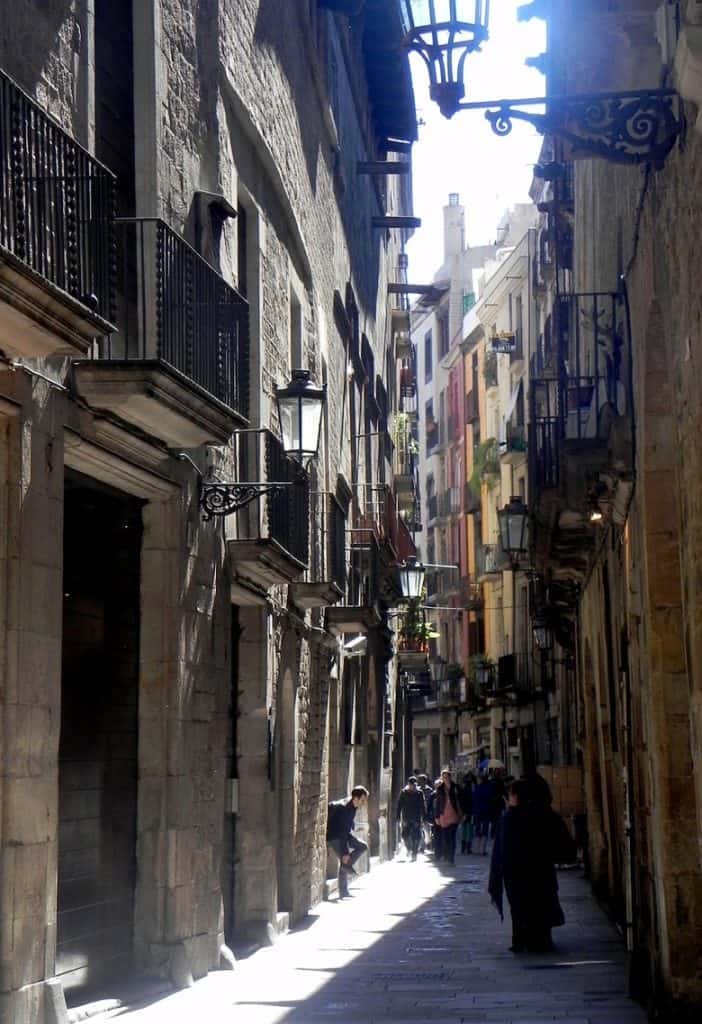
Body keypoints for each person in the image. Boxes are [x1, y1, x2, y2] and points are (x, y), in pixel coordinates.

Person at [488, 778, 577, 953]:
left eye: (512, 794)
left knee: (519, 907)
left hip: (517, 875)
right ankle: (541, 940)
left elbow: (502, 851)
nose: (509, 797)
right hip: (540, 872)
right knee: (540, 904)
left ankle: (521, 940)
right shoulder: (544, 814)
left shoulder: (511, 818)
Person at [326, 785, 369, 899]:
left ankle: (346, 866)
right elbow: (341, 833)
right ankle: (344, 891)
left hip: (344, 834)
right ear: (355, 798)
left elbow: (346, 830)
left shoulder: (353, 807)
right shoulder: (345, 808)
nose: (364, 802)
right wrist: (345, 853)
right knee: (344, 860)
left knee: (362, 846)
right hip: (334, 837)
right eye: (363, 800)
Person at [433, 768, 462, 865]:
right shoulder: (440, 789)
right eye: (444, 777)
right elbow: (437, 804)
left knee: (452, 837)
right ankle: (446, 856)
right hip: (443, 816)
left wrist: (464, 813)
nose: (446, 779)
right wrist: (437, 817)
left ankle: (451, 858)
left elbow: (463, 801)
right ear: (442, 778)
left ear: (450, 777)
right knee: (445, 838)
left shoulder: (456, 787)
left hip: (454, 815)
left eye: (447, 777)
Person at [397, 776, 425, 861]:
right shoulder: (404, 792)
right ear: (408, 784)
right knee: (405, 835)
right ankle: (409, 848)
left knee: (416, 836)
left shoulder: (419, 793)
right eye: (411, 784)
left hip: (416, 817)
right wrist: (398, 816)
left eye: (414, 784)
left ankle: (414, 853)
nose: (412, 786)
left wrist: (424, 816)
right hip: (406, 817)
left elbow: (423, 805)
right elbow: (399, 805)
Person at [473, 772, 494, 855]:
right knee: (485, 829)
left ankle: (477, 849)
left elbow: (474, 799)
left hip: (478, 810)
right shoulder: (489, 787)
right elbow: (491, 799)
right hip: (486, 810)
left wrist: (474, 811)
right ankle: (483, 849)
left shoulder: (477, 787)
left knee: (478, 829)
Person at [457, 773, 475, 854]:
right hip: (469, 812)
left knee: (464, 830)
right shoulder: (470, 790)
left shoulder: (461, 790)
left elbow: (460, 802)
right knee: (469, 830)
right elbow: (471, 802)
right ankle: (468, 848)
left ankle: (463, 848)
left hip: (463, 812)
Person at [417, 773, 434, 852]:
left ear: (425, 781)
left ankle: (428, 843)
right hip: (419, 813)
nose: (419, 782)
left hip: (427, 813)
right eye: (419, 780)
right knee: (420, 830)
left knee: (427, 830)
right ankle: (422, 846)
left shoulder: (429, 790)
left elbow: (431, 802)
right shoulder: (417, 790)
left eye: (421, 780)